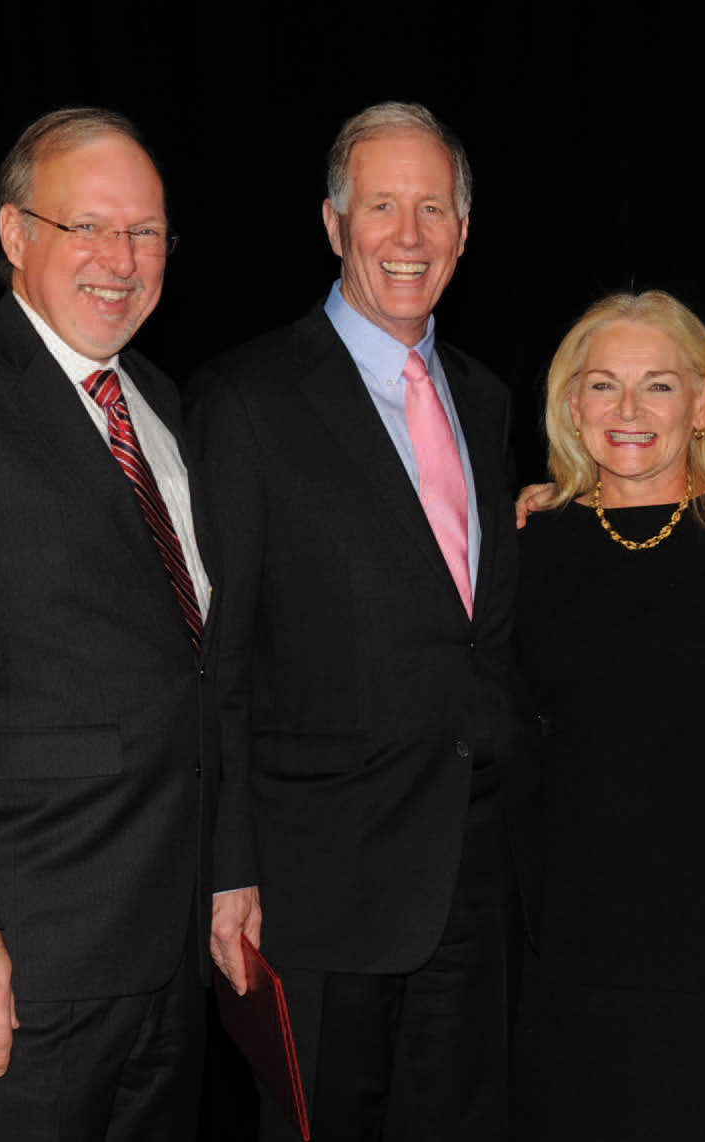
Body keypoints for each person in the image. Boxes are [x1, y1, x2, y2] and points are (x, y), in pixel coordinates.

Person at [0, 107, 250, 1141]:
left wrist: (224, 871)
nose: (122, 259)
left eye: (147, 232)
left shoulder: (155, 398)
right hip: (17, 961)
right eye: (89, 228)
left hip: (161, 955)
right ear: (17, 235)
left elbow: (192, 667)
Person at [186, 102, 526, 1142]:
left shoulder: (489, 398)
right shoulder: (243, 398)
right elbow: (219, 656)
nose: (410, 234)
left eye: (434, 208)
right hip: (314, 884)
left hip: (474, 874)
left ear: (466, 232)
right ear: (335, 223)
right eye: (383, 205)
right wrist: (227, 863)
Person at [509, 290, 705, 1141]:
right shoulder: (526, 546)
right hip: (560, 942)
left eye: (658, 385)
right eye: (603, 385)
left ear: (704, 401)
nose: (629, 411)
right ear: (571, 404)